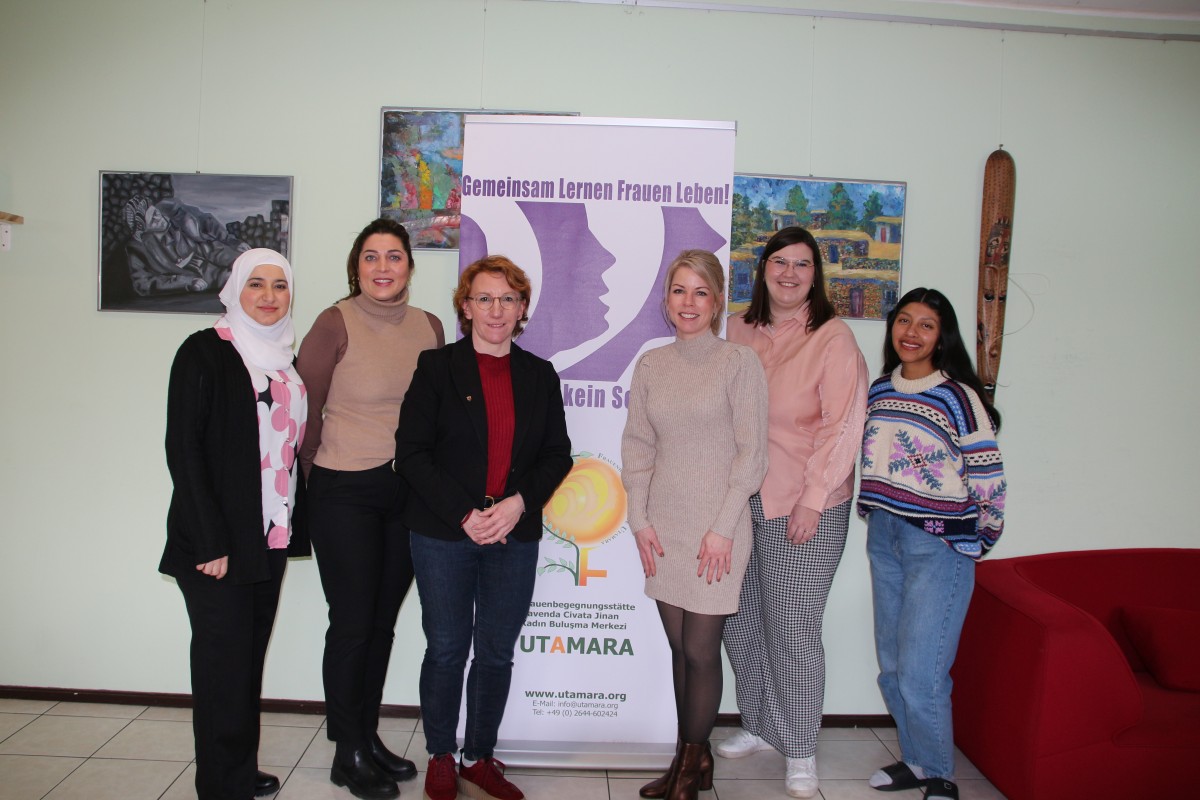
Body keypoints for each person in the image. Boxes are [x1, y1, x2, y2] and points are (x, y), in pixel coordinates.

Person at [394, 255, 572, 800]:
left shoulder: (539, 375)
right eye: (484, 299)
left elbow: (557, 456)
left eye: (508, 299)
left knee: (495, 652)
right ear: (466, 307)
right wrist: (465, 514)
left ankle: (479, 756)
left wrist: (518, 504)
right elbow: (412, 453)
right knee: (447, 648)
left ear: (522, 310)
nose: (496, 310)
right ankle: (442, 755)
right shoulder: (435, 367)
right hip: (445, 534)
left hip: (513, 535)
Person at [295, 219, 444, 800]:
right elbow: (300, 413)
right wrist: (313, 484)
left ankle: (367, 736)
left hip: (405, 494)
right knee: (353, 623)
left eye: (395, 257)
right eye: (371, 258)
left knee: (381, 624)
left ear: (409, 265)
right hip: (344, 491)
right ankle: (346, 751)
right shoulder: (334, 322)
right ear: (356, 266)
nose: (383, 268)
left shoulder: (429, 326)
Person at [717, 226, 868, 798]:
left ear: (815, 275)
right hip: (739, 505)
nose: (788, 273)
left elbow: (843, 426)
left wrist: (811, 501)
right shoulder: (737, 331)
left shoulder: (832, 338)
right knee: (741, 622)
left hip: (805, 504)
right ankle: (761, 723)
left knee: (794, 629)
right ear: (762, 270)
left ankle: (800, 748)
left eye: (801, 265)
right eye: (778, 262)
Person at [621, 250, 769, 800]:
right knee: (680, 649)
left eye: (700, 292)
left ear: (716, 301)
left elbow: (751, 457)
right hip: (665, 527)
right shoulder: (652, 365)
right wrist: (639, 520)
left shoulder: (738, 364)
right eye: (679, 291)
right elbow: (637, 448)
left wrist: (723, 527)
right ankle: (691, 759)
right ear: (667, 301)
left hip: (718, 530)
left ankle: (689, 768)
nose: (689, 302)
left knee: (703, 650)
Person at [160, 248, 307, 800]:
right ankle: (221, 786)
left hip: (267, 537)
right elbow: (184, 449)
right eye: (256, 285)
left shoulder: (282, 360)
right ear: (234, 291)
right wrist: (210, 539)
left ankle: (239, 770)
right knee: (222, 670)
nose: (269, 296)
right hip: (216, 543)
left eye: (279, 286)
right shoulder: (204, 352)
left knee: (245, 665)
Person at [857, 288, 1006, 800]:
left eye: (926, 324)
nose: (911, 333)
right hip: (885, 536)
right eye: (904, 321)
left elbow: (987, 474)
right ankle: (917, 761)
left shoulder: (958, 397)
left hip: (938, 544)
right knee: (894, 667)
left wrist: (977, 537)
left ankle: (940, 774)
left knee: (923, 672)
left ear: (942, 337)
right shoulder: (879, 390)